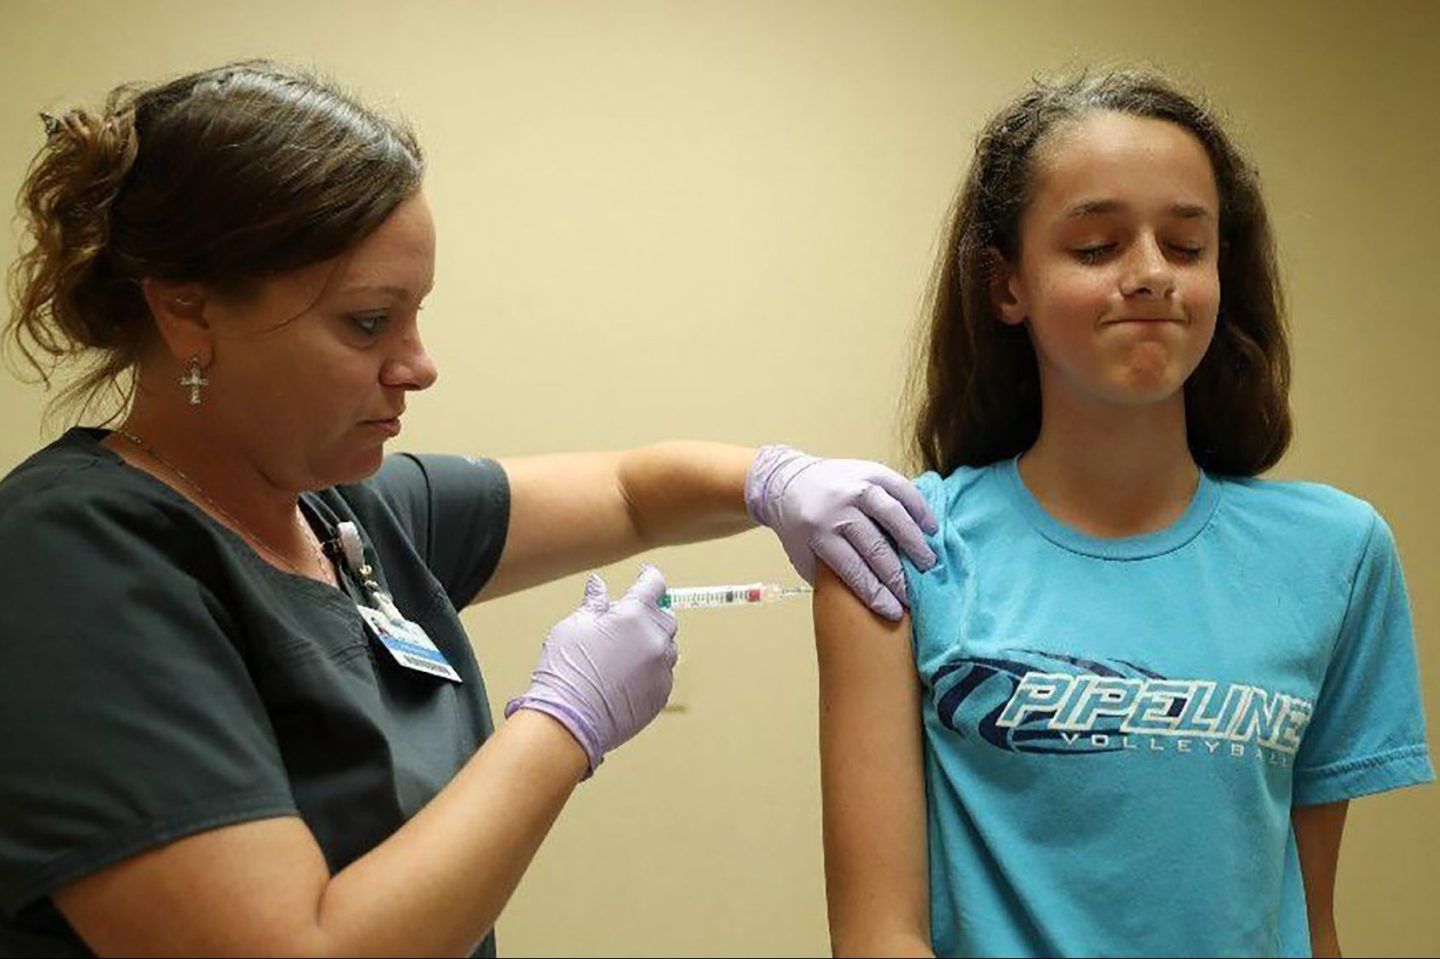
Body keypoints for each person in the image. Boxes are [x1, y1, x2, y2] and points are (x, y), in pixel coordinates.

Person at [0, 61, 940, 957]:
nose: (419, 363)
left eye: (416, 314)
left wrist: (771, 481)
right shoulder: (75, 560)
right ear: (187, 311)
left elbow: (626, 491)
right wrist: (561, 724)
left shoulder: (344, 516)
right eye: (369, 322)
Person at [813, 70, 1434, 957]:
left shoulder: (1339, 553)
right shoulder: (897, 545)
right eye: (1098, 245)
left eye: (1186, 247)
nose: (1150, 276)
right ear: (1006, 285)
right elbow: (880, 935)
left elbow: (1306, 918)